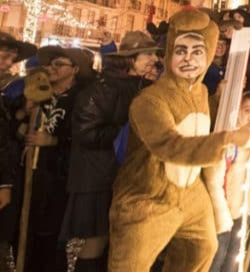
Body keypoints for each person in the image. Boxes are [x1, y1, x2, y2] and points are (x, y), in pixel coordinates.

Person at [108, 9, 250, 272]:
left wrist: (218, 99)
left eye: (197, 52)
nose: (189, 59)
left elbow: (194, 120)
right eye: (181, 51)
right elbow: (169, 145)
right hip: (148, 196)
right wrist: (227, 139)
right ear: (168, 54)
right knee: (130, 264)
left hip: (188, 192)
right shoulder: (150, 100)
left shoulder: (201, 91)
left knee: (203, 247)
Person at [63, 33, 161, 272]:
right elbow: (86, 132)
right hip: (98, 177)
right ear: (130, 59)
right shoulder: (103, 88)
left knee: (116, 242)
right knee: (96, 240)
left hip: (121, 176)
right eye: (148, 54)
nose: (154, 59)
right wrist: (125, 134)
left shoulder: (141, 86)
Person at [26, 46, 93, 272]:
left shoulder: (80, 101)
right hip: (30, 173)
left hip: (57, 177)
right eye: (51, 64)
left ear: (74, 70)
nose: (52, 68)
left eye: (59, 64)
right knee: (27, 234)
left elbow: (81, 139)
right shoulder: (40, 94)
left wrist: (52, 142)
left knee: (50, 237)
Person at [206, 92, 250, 272]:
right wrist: (221, 213)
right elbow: (213, 180)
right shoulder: (226, 138)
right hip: (225, 209)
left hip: (247, 208)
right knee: (217, 255)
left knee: (235, 256)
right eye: (247, 110)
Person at [0, 33, 35, 262]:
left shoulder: (13, 87)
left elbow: (7, 132)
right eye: (4, 56)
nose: (9, 62)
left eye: (12, 58)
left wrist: (23, 113)